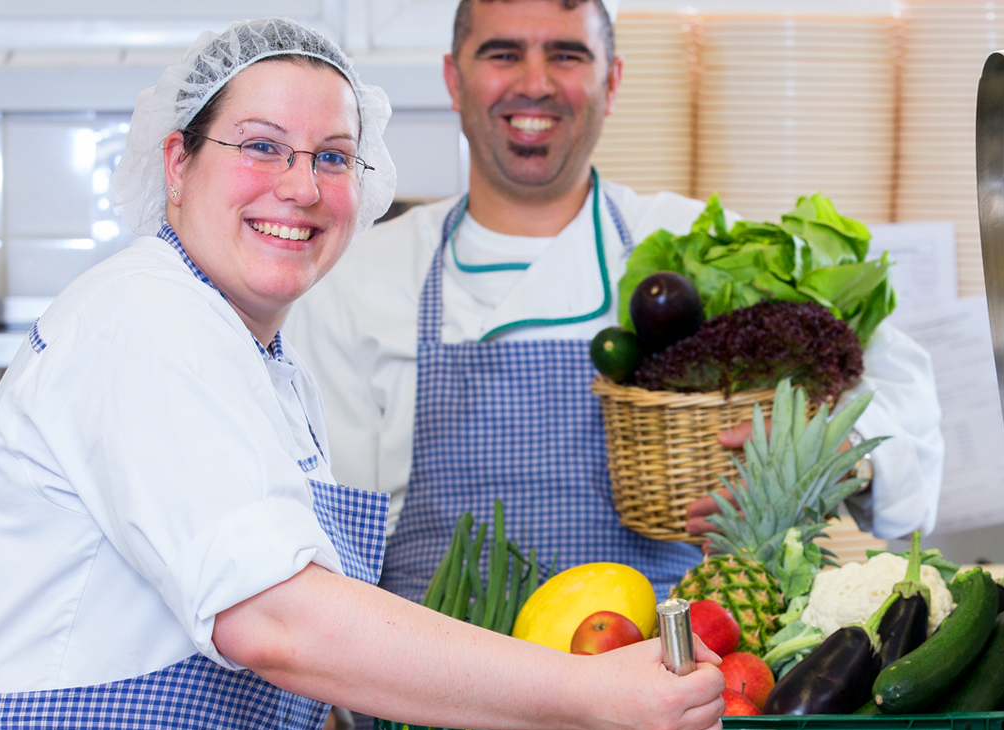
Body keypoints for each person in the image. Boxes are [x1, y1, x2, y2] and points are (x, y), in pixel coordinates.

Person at [0, 18, 725, 730]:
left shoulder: (255, 354)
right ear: (177, 162)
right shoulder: (141, 319)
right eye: (262, 146)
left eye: (331, 156)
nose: (301, 188)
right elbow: (277, 620)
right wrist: (589, 693)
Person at [284, 0, 945, 604]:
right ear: (454, 79)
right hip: (433, 694)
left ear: (614, 80)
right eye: (503, 53)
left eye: (567, 55)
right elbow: (324, 544)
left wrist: (828, 453)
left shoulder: (696, 247)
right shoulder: (356, 280)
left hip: (668, 677)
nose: (536, 82)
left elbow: (886, 379)